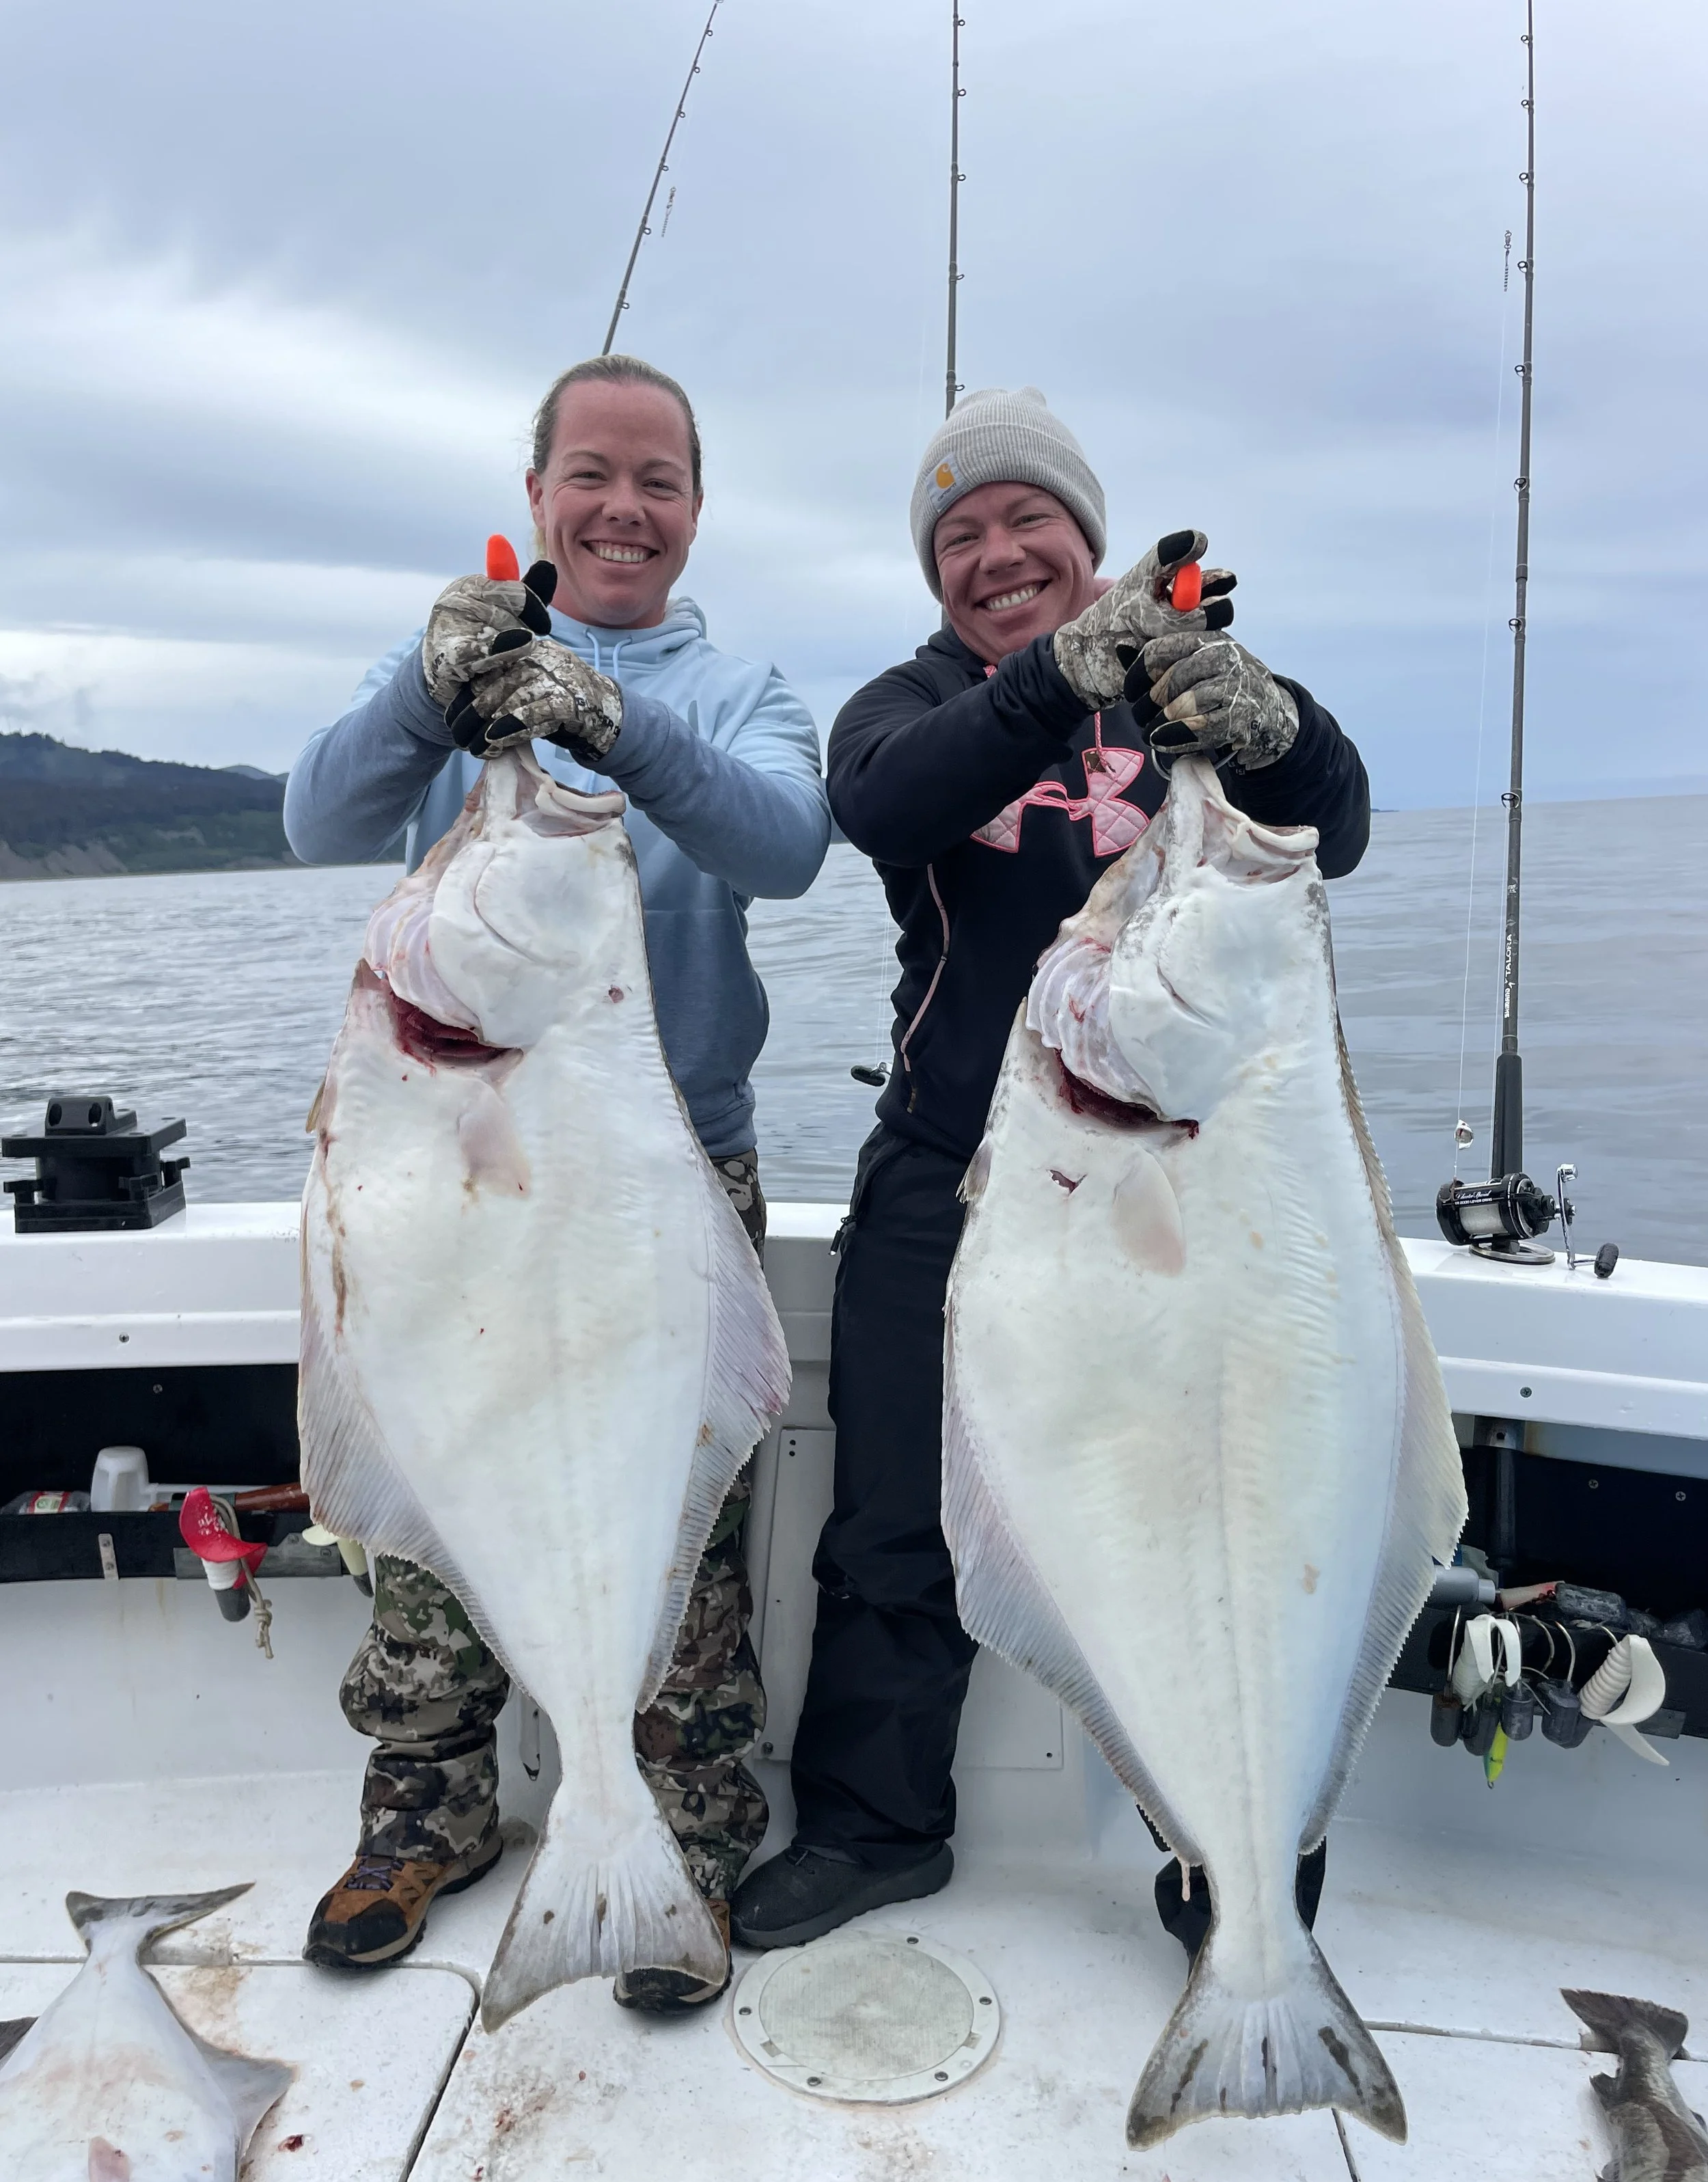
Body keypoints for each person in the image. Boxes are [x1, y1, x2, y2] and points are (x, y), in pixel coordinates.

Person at [730, 385, 1368, 1958]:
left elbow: (1330, 826)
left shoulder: (1193, 686)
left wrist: (1267, 721)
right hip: (950, 1170)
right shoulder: (903, 703)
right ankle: (877, 1828)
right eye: (958, 534)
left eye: (1028, 522)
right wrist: (1046, 683)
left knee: (1199, 1518)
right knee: (891, 1515)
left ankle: (1234, 1856)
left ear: (1088, 539)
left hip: (1183, 1191)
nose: (996, 551)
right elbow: (879, 802)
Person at [284, 352, 829, 2012]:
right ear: (537, 497)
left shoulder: (741, 692)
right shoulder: (451, 670)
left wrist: (615, 725)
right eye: (590, 474)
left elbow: (786, 847)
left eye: (658, 480)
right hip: (448, 1173)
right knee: (431, 1507)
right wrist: (427, 697)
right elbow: (319, 821)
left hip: (660, 1171)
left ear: (693, 511)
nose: (623, 507)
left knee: (672, 1521)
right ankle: (425, 1807)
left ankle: (681, 1831)